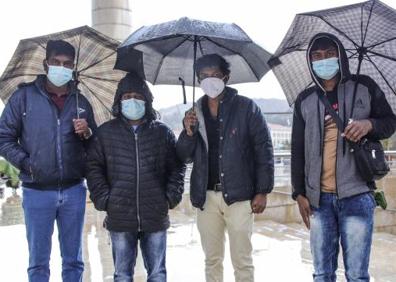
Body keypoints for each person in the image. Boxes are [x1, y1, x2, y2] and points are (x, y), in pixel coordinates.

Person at [291, 33, 396, 282]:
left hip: (357, 195)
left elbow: (390, 123)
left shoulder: (365, 86)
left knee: (358, 275)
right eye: (316, 56)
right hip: (319, 200)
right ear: (310, 61)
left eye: (329, 54)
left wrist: (368, 124)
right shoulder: (305, 100)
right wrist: (299, 192)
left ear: (340, 56)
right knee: (322, 274)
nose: (323, 60)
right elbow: (297, 149)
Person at [0, 39, 96, 281]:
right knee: (38, 263)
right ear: (46, 64)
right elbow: (3, 137)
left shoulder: (81, 102)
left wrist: (87, 133)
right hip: (36, 191)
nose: (61, 67)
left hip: (74, 190)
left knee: (74, 261)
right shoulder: (23, 97)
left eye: (67, 64)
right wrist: (26, 163)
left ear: (73, 68)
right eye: (56, 62)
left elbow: (95, 147)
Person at [176, 54, 274, 282]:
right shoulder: (194, 113)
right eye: (203, 76)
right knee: (211, 260)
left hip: (239, 196)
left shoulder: (247, 108)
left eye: (215, 75)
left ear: (226, 77)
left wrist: (262, 191)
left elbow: (264, 150)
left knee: (242, 260)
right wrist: (188, 132)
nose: (209, 80)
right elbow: (183, 156)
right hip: (206, 197)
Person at [86, 72, 185, 282]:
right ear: (119, 100)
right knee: (122, 275)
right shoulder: (105, 133)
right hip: (120, 216)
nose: (132, 100)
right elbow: (93, 168)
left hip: (155, 215)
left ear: (147, 101)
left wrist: (169, 197)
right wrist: (105, 200)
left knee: (157, 273)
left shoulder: (163, 132)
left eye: (138, 96)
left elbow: (177, 167)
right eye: (127, 96)